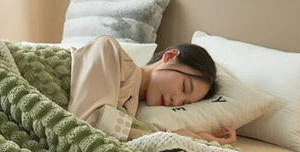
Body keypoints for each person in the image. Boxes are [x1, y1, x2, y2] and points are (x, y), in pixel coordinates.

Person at [68, 35, 236, 144]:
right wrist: (172, 138)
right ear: (170, 57)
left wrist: (198, 139)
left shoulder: (133, 107)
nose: (176, 101)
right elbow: (85, 124)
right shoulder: (109, 49)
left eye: (185, 103)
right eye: (184, 87)